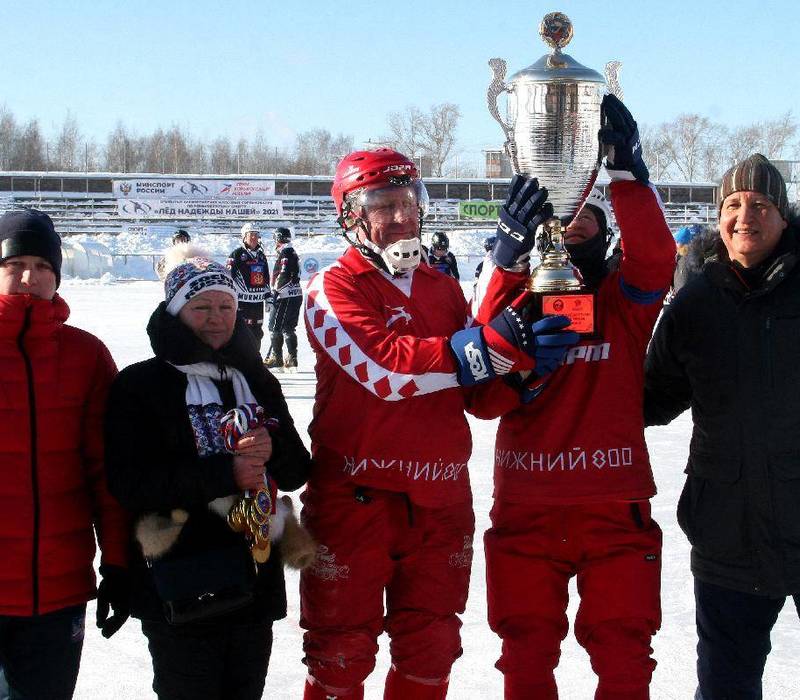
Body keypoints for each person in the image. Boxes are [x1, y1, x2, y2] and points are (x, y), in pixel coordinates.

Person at [300, 147, 578, 700]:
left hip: (440, 502)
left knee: (431, 651)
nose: (402, 217)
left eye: (409, 201)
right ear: (350, 215)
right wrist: (496, 347)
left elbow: (476, 397)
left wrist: (523, 375)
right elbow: (385, 371)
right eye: (383, 205)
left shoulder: (441, 287)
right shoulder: (332, 287)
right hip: (357, 498)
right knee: (341, 652)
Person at [471, 95, 676, 699]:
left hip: (613, 505)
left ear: (606, 226)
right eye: (563, 207)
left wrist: (627, 175)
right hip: (528, 505)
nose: (574, 215)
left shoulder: (623, 302)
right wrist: (507, 256)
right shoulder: (513, 298)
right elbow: (477, 387)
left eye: (588, 206)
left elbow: (656, 258)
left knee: (625, 659)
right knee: (526, 657)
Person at [104, 247, 312, 700]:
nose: (216, 318)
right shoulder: (141, 385)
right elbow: (130, 483)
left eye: (226, 306)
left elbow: (296, 471)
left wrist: (271, 448)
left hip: (254, 580)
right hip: (179, 584)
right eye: (201, 307)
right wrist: (226, 473)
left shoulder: (257, 378)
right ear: (177, 311)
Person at [644, 153, 799, 700]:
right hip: (728, 529)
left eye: (760, 204)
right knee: (727, 684)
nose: (744, 215)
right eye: (732, 204)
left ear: (783, 215)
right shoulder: (696, 303)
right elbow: (651, 398)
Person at [0, 209, 130, 700]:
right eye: (15, 264)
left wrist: (119, 562)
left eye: (44, 266)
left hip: (57, 590)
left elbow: (106, 470)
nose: (30, 277)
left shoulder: (86, 355)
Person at [227, 223, 271, 352]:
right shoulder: (236, 254)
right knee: (241, 331)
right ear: (244, 237)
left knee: (257, 332)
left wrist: (268, 297)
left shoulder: (261, 255)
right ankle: (239, 360)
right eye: (251, 234)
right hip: (242, 302)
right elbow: (229, 277)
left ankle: (255, 360)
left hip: (257, 302)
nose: (254, 237)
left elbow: (266, 278)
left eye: (256, 235)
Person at [264, 227, 302, 371]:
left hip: (284, 295)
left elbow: (284, 273)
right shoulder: (292, 251)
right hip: (295, 294)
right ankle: (292, 359)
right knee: (288, 327)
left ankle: (277, 358)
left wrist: (275, 290)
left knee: (274, 327)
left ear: (278, 238)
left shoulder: (285, 252)